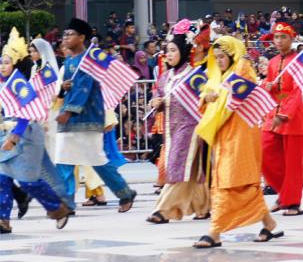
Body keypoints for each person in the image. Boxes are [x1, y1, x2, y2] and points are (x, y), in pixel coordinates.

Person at [191, 35, 282, 248]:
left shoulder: (243, 70)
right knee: (239, 183)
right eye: (217, 57)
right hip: (223, 135)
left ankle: (214, 232)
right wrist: (206, 97)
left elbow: (239, 93)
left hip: (242, 134)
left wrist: (217, 94)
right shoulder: (217, 76)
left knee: (231, 181)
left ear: (232, 55)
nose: (220, 61)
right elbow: (207, 98)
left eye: (223, 56)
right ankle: (268, 223)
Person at [53, 18, 138, 212]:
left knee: (97, 161)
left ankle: (125, 192)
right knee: (62, 159)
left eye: (70, 34)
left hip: (88, 118)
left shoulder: (88, 60)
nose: (65, 37)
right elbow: (70, 87)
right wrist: (62, 90)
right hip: (70, 119)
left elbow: (83, 88)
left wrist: (68, 111)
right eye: (64, 34)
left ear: (82, 37)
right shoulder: (69, 61)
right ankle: (65, 203)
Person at [0, 51, 73, 233]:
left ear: (15, 65)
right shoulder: (2, 84)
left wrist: (13, 138)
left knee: (27, 181)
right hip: (5, 136)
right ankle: (3, 220)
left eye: (7, 62)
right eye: (1, 62)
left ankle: (58, 209)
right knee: (2, 179)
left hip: (27, 135)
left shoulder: (19, 84)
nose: (2, 66)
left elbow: (26, 115)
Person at [146, 33, 211, 224]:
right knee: (192, 168)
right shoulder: (166, 76)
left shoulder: (194, 75)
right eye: (167, 51)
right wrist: (154, 102)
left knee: (176, 165)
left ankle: (163, 210)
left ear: (183, 51)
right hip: (170, 128)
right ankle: (203, 207)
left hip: (191, 127)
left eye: (173, 50)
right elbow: (156, 95)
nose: (169, 54)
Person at [259, 23, 303, 216]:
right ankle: (286, 193)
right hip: (273, 116)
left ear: (292, 39)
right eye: (276, 37)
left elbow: (298, 92)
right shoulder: (272, 63)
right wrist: (267, 86)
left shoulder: (299, 62)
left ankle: (292, 202)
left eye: (283, 37)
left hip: (293, 118)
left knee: (292, 162)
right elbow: (271, 90)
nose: (279, 41)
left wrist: (285, 114)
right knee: (264, 152)